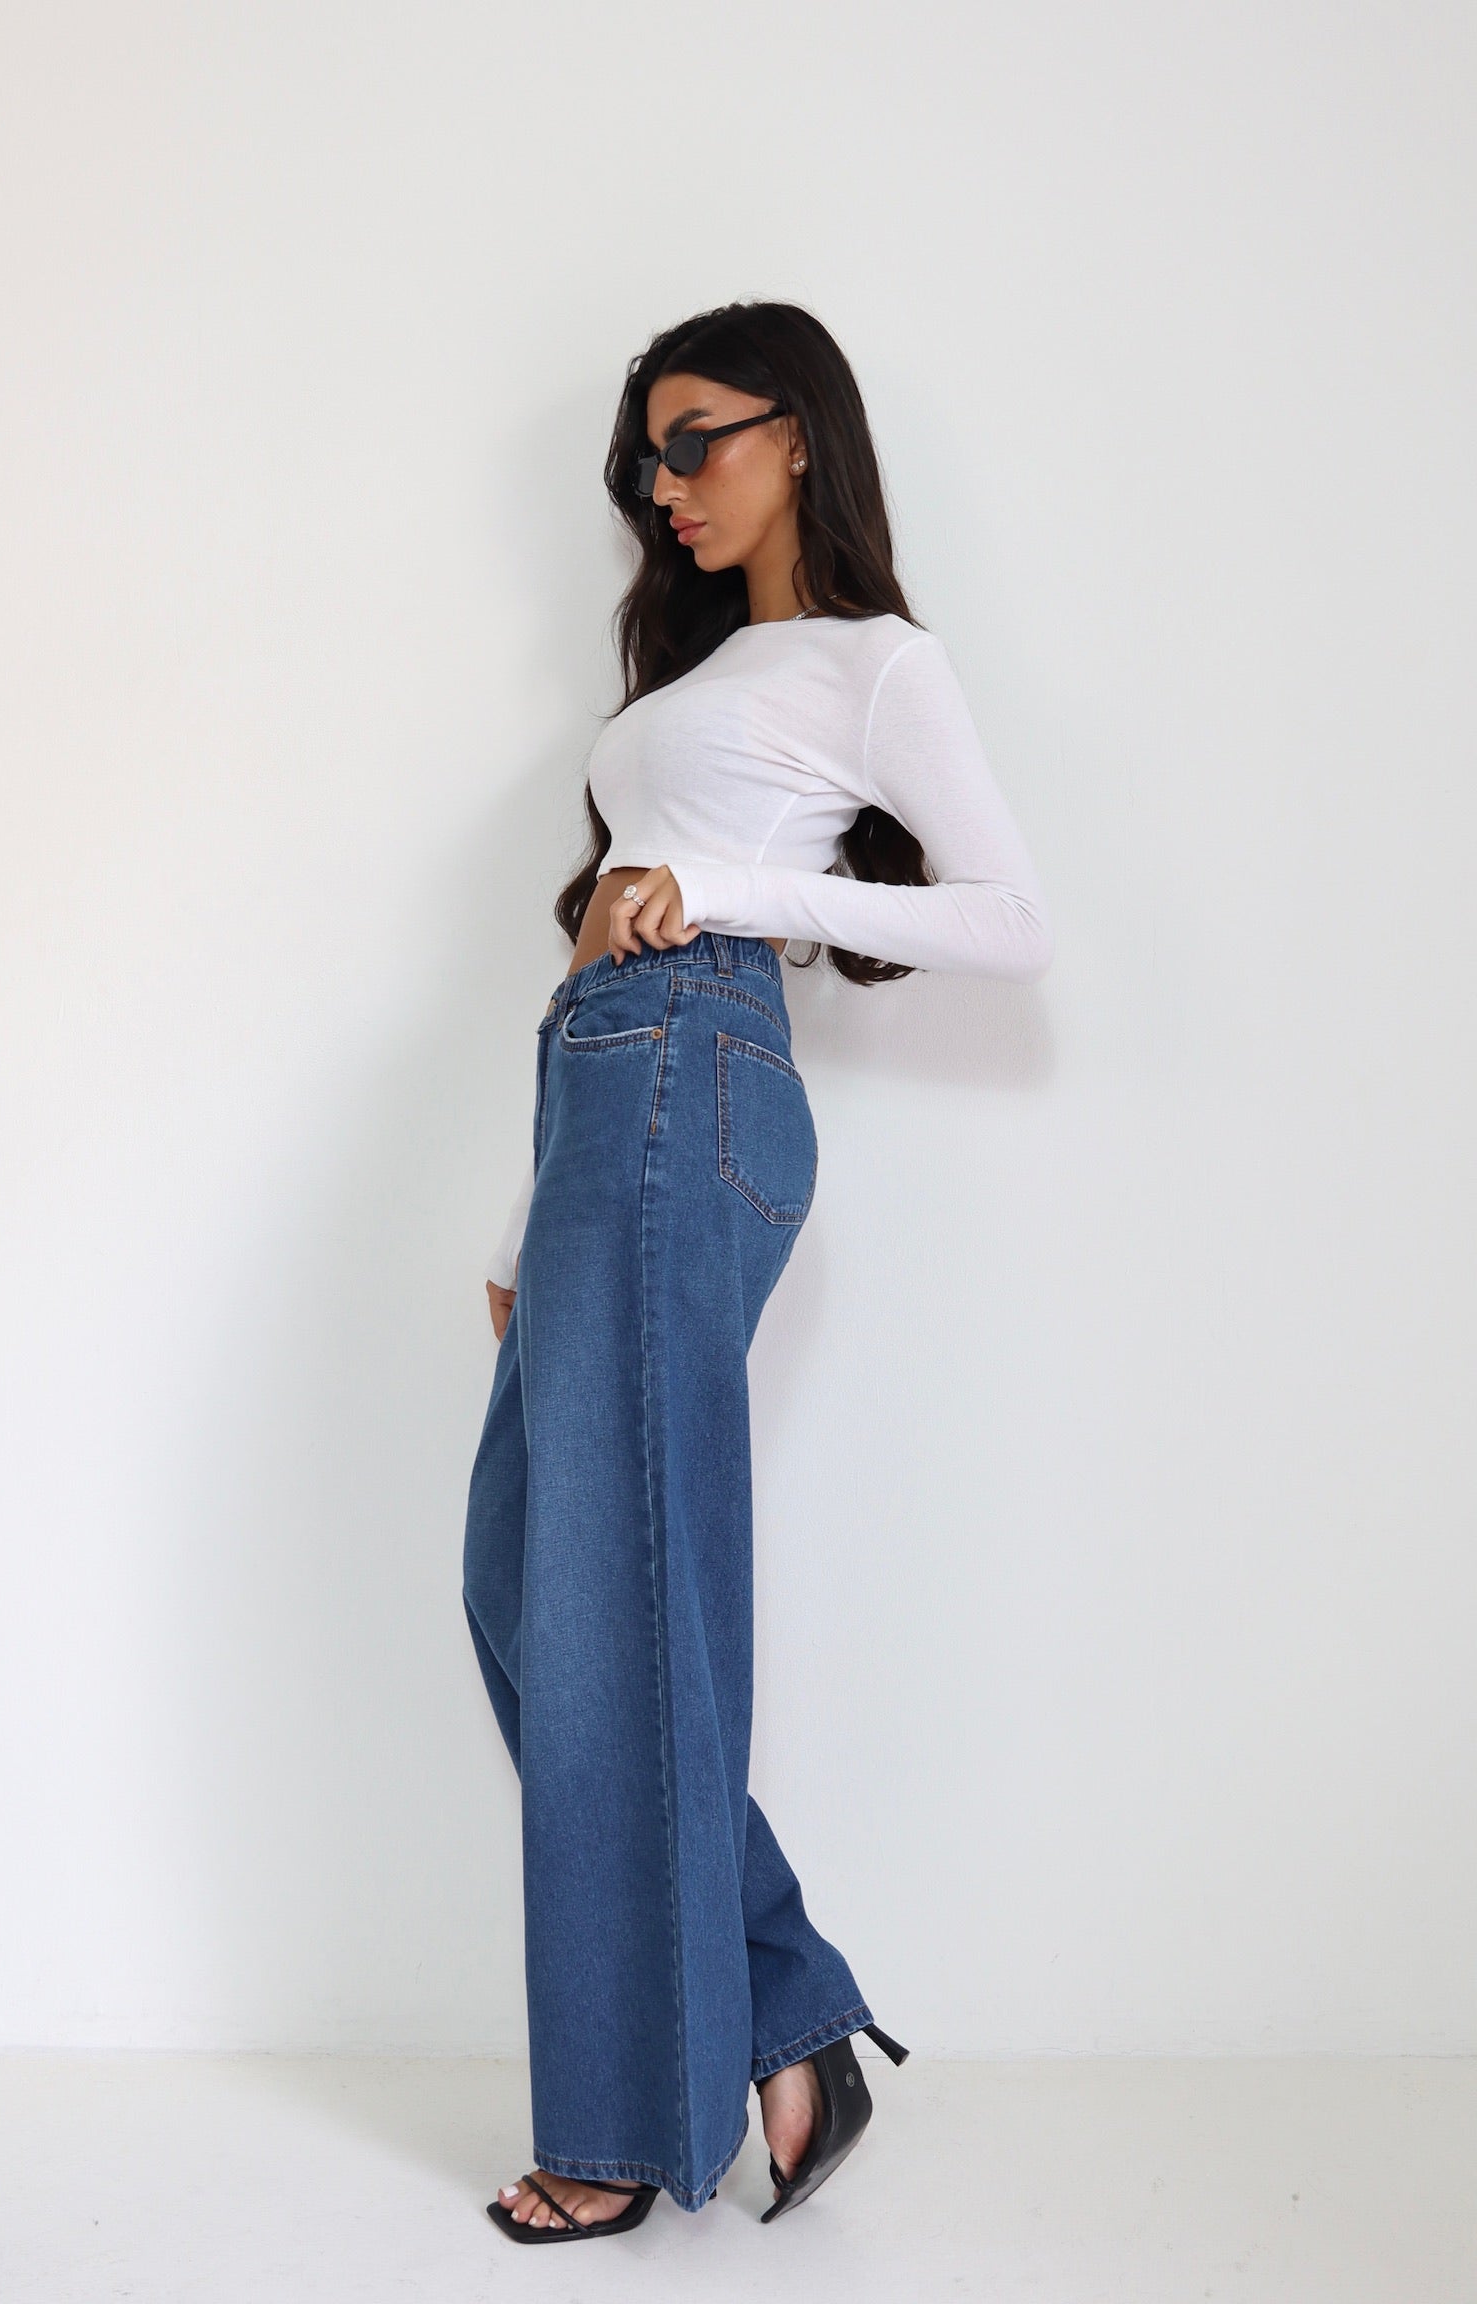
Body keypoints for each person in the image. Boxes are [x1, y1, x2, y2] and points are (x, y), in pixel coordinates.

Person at [463, 300, 1053, 2245]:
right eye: (648, 458)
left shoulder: (876, 662)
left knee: (607, 1598)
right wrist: (525, 1225)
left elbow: (1012, 918)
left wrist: (722, 891)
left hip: (691, 1076)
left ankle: (626, 2126)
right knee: (527, 1585)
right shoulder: (708, 665)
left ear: (799, 431)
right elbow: (614, 934)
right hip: (604, 1100)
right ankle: (788, 2013)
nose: (667, 484)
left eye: (695, 438)